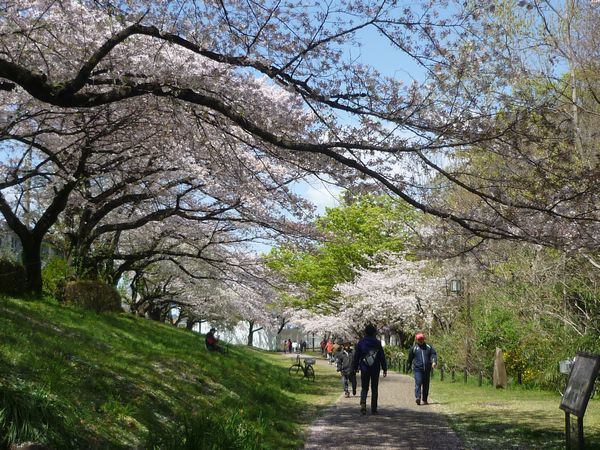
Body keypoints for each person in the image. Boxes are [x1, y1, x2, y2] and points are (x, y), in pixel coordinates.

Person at [352, 324, 387, 415]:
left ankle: (363, 404)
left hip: (364, 368)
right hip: (375, 368)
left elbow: (357, 356)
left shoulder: (361, 342)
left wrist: (355, 367)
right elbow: (381, 356)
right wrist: (384, 368)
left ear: (365, 332)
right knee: (374, 388)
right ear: (374, 332)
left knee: (364, 387)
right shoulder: (377, 343)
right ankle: (374, 408)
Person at [407, 332, 437, 405]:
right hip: (418, 369)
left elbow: (433, 354)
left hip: (427, 369)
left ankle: (425, 399)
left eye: (422, 339)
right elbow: (410, 358)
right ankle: (418, 397)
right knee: (418, 382)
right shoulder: (414, 348)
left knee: (426, 385)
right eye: (419, 339)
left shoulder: (428, 347)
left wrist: (434, 361)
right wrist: (408, 367)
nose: (421, 341)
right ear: (417, 340)